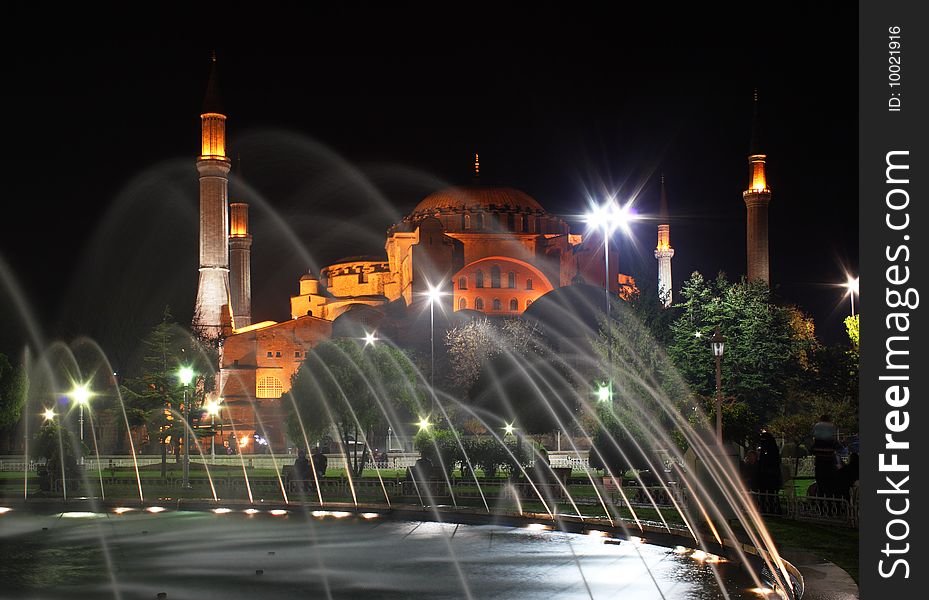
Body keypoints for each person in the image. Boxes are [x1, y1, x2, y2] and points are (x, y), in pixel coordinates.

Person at [811, 414, 839, 496]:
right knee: (830, 483)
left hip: (820, 461)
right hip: (829, 461)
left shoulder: (817, 427)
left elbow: (813, 445)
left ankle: (821, 497)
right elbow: (835, 444)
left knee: (821, 482)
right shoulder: (831, 427)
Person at [756, 430, 782, 513]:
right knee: (766, 494)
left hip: (770, 475)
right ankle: (766, 508)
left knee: (771, 494)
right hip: (766, 475)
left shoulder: (771, 450)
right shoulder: (765, 450)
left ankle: (772, 509)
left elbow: (773, 462)